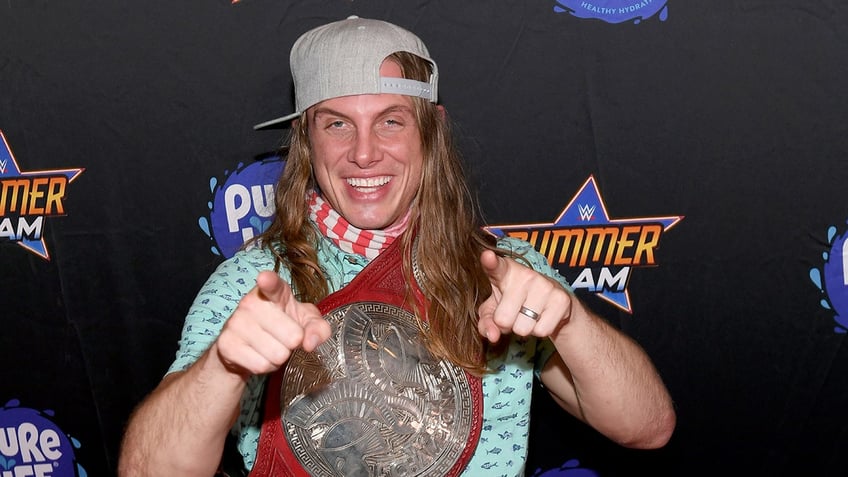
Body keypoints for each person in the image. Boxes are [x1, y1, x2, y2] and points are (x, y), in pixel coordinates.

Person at [118, 15, 675, 477]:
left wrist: (568, 318)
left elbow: (648, 428)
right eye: (337, 124)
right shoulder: (253, 285)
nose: (364, 153)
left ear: (431, 131)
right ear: (305, 142)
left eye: (390, 121)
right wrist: (223, 365)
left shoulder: (504, 278)